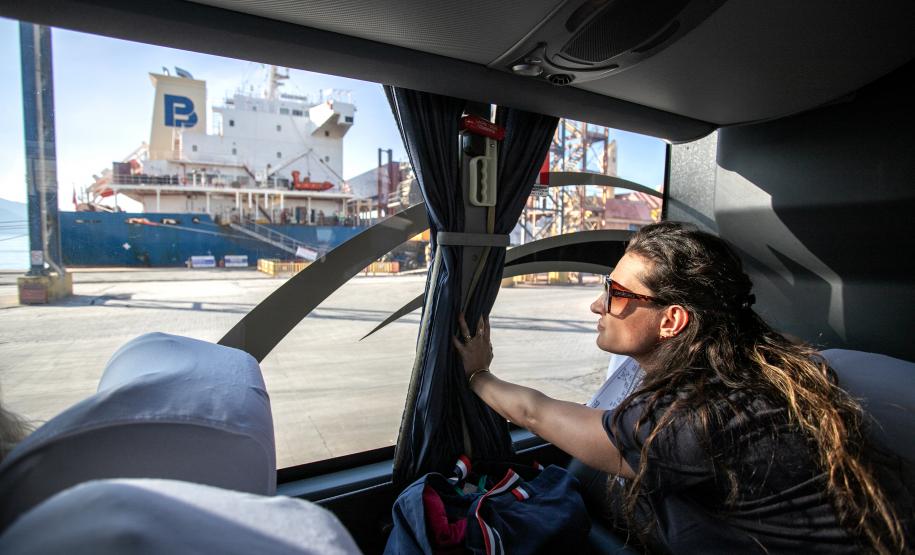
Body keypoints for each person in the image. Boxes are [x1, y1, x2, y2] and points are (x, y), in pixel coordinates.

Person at [452, 221, 906, 554]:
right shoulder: (748, 364)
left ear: (672, 320)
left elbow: (534, 413)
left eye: (616, 293)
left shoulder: (698, 419)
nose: (597, 305)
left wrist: (478, 375)